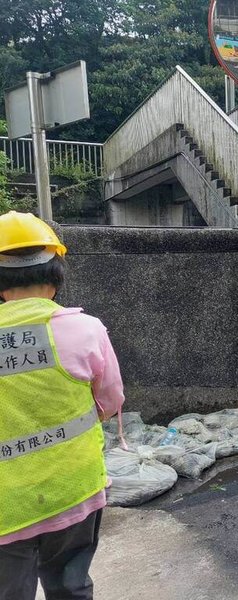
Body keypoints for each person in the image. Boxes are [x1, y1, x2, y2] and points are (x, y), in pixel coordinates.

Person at [0, 212, 125, 600]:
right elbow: (111, 400)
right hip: (75, 490)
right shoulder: (86, 330)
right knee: (70, 587)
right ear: (56, 276)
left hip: (7, 506)